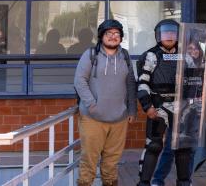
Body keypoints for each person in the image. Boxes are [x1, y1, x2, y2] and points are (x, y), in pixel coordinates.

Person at [74, 19, 136, 186]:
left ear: (121, 38)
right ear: (101, 36)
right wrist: (93, 106)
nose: (113, 36)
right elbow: (80, 81)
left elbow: (131, 83)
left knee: (111, 164)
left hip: (119, 119)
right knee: (89, 162)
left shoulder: (125, 56)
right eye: (109, 33)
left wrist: (131, 110)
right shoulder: (90, 55)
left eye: (116, 34)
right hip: (93, 119)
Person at [137, 19, 193, 186]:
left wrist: (192, 105)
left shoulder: (186, 56)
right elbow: (142, 83)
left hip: (181, 107)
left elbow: (194, 82)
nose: (169, 36)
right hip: (158, 107)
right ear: (158, 35)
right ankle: (145, 183)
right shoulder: (150, 56)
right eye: (165, 32)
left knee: (183, 148)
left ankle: (184, 182)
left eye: (173, 33)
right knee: (153, 146)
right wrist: (147, 106)